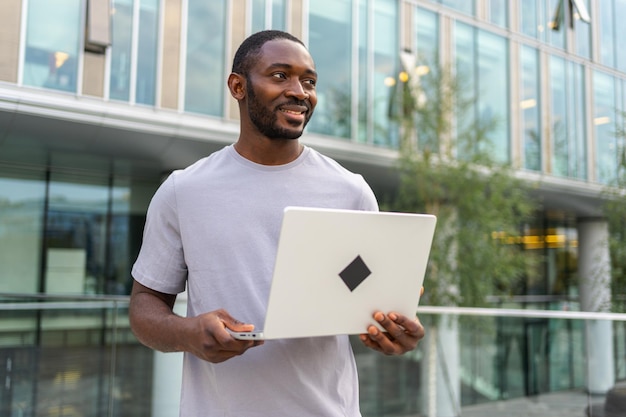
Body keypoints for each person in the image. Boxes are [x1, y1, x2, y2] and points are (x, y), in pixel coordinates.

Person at [129, 29, 425, 417]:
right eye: (280, 75)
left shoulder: (350, 191)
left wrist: (393, 328)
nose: (300, 91)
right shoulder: (183, 191)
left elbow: (371, 301)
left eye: (309, 81)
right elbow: (144, 306)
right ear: (238, 86)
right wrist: (189, 333)